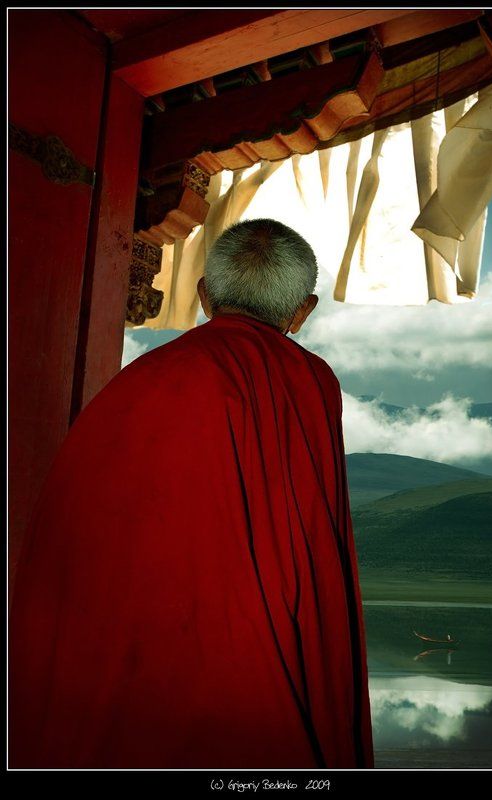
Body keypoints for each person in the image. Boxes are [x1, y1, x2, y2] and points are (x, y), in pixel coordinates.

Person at [8, 218, 374, 769]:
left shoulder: (141, 378)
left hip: (122, 657)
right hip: (247, 662)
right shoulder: (310, 379)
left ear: (204, 296)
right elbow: (314, 541)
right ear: (303, 311)